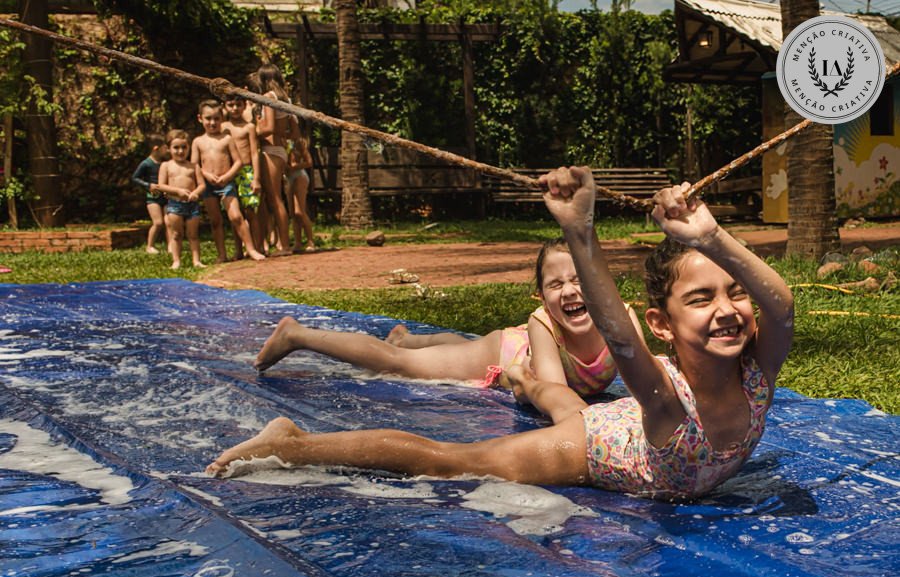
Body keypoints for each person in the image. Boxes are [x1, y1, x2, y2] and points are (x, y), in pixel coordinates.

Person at [208, 168, 794, 500]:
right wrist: (582, 236)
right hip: (597, 447)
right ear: (662, 324)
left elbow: (783, 306)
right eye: (701, 297)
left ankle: (523, 382)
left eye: (734, 292)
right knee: (448, 462)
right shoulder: (667, 404)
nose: (727, 309)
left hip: (609, 421)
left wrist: (712, 239)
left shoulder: (756, 374)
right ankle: (291, 442)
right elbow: (620, 342)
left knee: (553, 393)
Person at [251, 237, 641, 400]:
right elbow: (558, 400)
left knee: (459, 347)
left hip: (511, 346)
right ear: (541, 297)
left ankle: (409, 338)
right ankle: (297, 334)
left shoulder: (623, 320)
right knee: (399, 364)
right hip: (507, 353)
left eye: (580, 280)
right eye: (556, 285)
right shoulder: (543, 323)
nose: (570, 291)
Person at [191, 98, 265, 263]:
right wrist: (206, 175)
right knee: (216, 221)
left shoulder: (227, 138)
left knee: (236, 217)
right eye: (208, 119)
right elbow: (194, 164)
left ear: (221, 119)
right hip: (209, 186)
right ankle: (222, 254)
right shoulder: (198, 141)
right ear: (200, 119)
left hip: (227, 183)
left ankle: (251, 249)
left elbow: (238, 161)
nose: (212, 122)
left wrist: (227, 176)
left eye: (216, 119)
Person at [251, 64, 293, 256]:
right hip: (280, 150)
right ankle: (275, 243)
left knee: (275, 198)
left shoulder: (268, 97)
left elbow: (268, 127)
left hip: (271, 150)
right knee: (275, 198)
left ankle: (284, 245)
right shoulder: (285, 98)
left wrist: (251, 132)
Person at [156, 130, 206, 270]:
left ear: (189, 147)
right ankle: (176, 261)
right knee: (176, 234)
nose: (180, 151)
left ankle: (196, 260)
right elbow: (161, 186)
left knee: (193, 234)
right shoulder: (166, 166)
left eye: (184, 147)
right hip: (175, 205)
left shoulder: (193, 166)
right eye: (176, 147)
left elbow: (202, 184)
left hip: (192, 204)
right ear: (169, 149)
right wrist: (177, 191)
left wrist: (196, 193)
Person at [222, 94, 264, 259]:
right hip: (229, 172)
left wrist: (256, 177)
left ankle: (257, 247)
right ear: (224, 106)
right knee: (234, 214)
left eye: (238, 105)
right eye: (231, 105)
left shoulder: (249, 127)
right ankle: (239, 250)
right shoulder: (223, 127)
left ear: (244, 106)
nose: (234, 109)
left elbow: (254, 153)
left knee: (251, 212)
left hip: (246, 172)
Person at [130, 133, 169, 254]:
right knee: (158, 223)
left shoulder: (164, 163)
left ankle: (171, 246)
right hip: (152, 198)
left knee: (169, 223)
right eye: (165, 147)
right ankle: (150, 246)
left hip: (165, 196)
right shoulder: (146, 163)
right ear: (156, 148)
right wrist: (148, 185)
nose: (167, 150)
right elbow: (135, 178)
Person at [285, 133, 316, 253]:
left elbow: (309, 162)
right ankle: (298, 243)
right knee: (293, 213)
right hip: (288, 178)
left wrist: (295, 166)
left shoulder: (297, 143)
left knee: (299, 211)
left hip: (299, 175)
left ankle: (310, 241)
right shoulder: (280, 142)